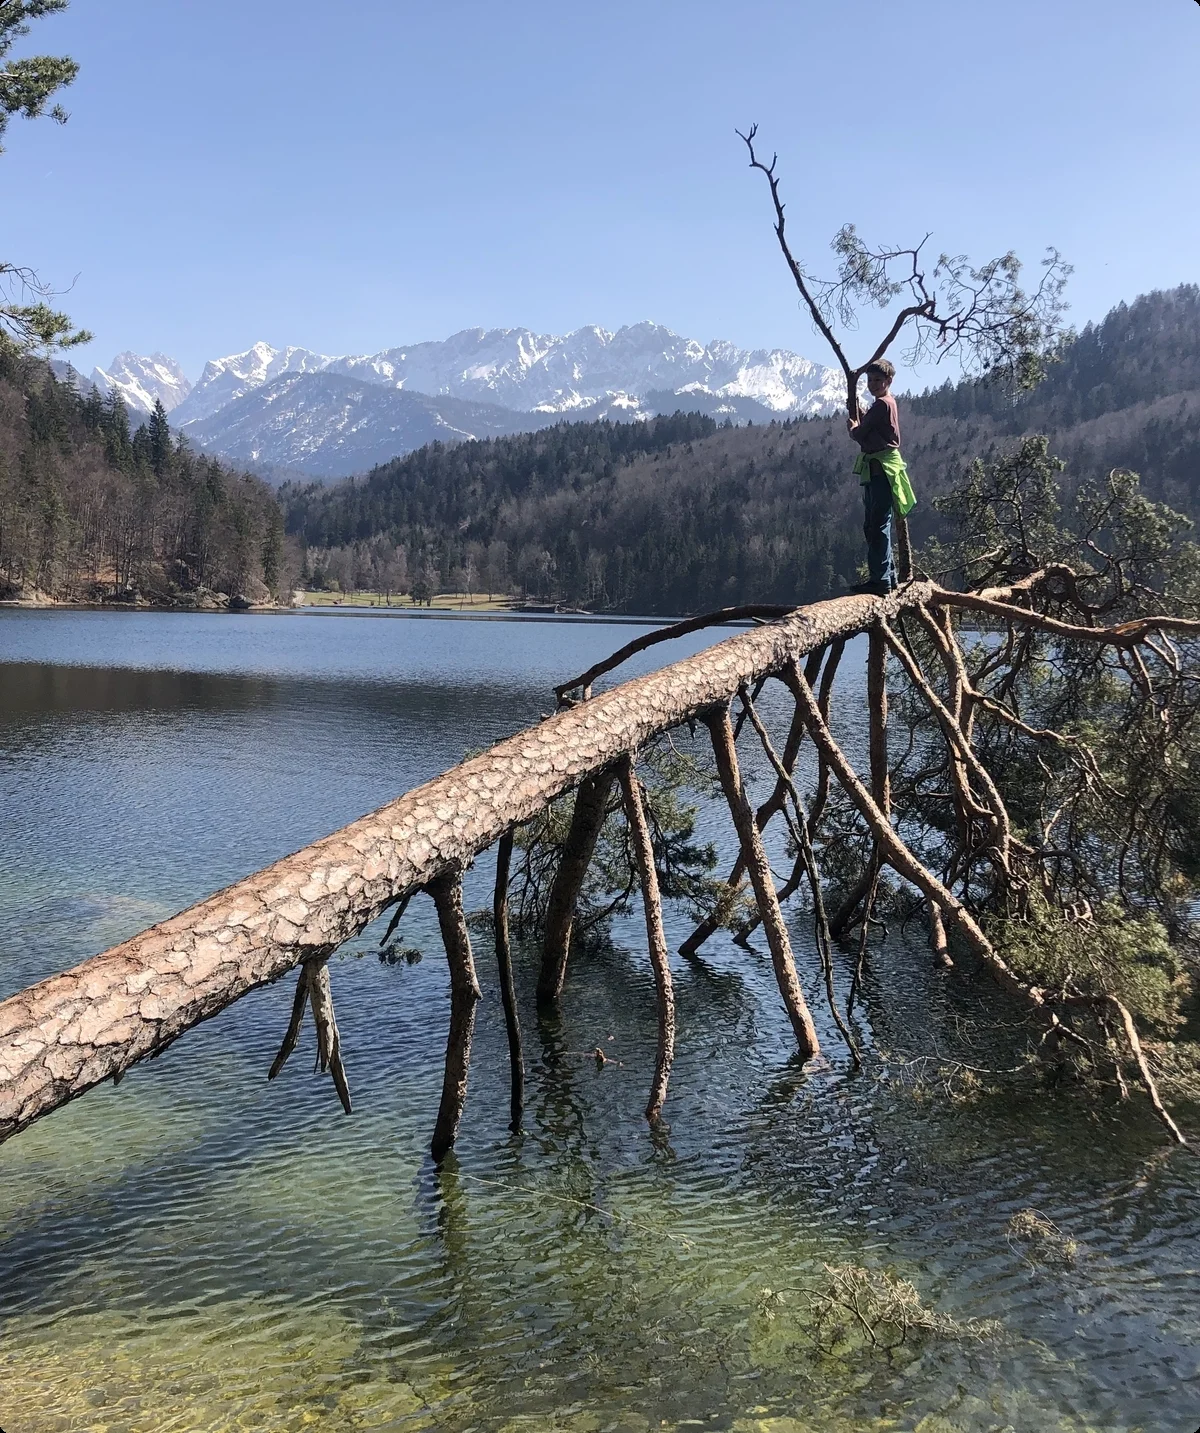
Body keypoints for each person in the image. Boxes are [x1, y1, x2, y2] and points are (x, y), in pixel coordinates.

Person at [845, 358, 916, 595]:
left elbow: (861, 434)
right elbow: (874, 426)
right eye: (870, 380)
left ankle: (880, 579)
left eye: (878, 380)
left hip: (881, 470)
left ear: (889, 381)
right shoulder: (886, 404)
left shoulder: (882, 405)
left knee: (876, 525)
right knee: (878, 524)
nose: (873, 385)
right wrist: (862, 415)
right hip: (881, 469)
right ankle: (889, 576)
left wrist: (853, 426)